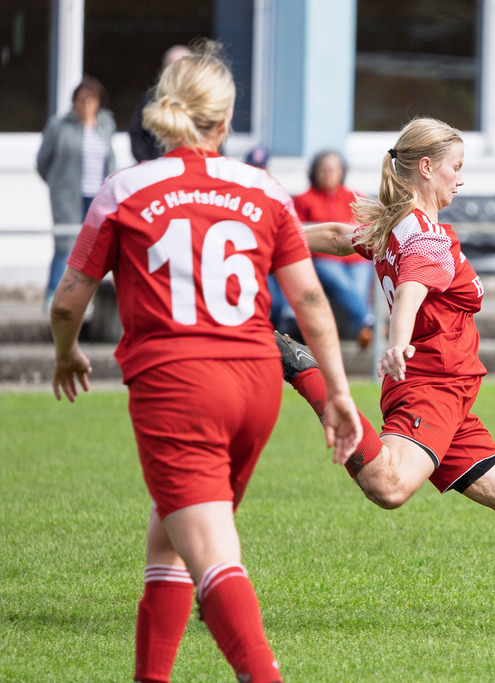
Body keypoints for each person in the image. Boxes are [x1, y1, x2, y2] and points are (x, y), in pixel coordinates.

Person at [49, 41, 362, 683]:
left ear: (161, 113)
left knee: (213, 553)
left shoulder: (123, 189)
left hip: (179, 383)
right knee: (171, 536)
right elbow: (309, 299)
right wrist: (337, 392)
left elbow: (67, 300)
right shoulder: (264, 188)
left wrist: (66, 352)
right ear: (223, 123)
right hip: (256, 383)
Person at [276, 117, 495, 632]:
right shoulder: (427, 234)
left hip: (453, 397)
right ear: (427, 168)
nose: (462, 179)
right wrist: (396, 343)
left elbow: (336, 236)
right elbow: (412, 287)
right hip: (429, 389)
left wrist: (268, 240)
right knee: (388, 486)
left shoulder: (397, 224)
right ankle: (304, 370)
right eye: (456, 168)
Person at [36, 75, 117, 309]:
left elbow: (109, 159)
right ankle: (53, 295)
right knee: (65, 247)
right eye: (82, 101)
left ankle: (82, 298)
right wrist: (56, 184)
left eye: (91, 101)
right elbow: (43, 162)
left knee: (92, 248)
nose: (86, 106)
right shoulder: (59, 126)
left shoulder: (105, 125)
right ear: (74, 102)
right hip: (68, 197)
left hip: (97, 196)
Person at [293, 150, 375, 348]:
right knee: (341, 282)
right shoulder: (303, 199)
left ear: (341, 172)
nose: (328, 173)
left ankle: (363, 326)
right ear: (315, 171)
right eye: (324, 169)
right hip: (323, 257)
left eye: (333, 169)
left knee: (357, 286)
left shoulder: (354, 196)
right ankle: (368, 321)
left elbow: (366, 227)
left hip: (356, 257)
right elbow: (297, 233)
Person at [129, 44, 191, 162]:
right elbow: (136, 134)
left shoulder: (199, 99)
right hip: (157, 165)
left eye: (180, 67)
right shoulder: (150, 98)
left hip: (191, 168)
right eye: (170, 66)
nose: (175, 71)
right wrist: (147, 161)